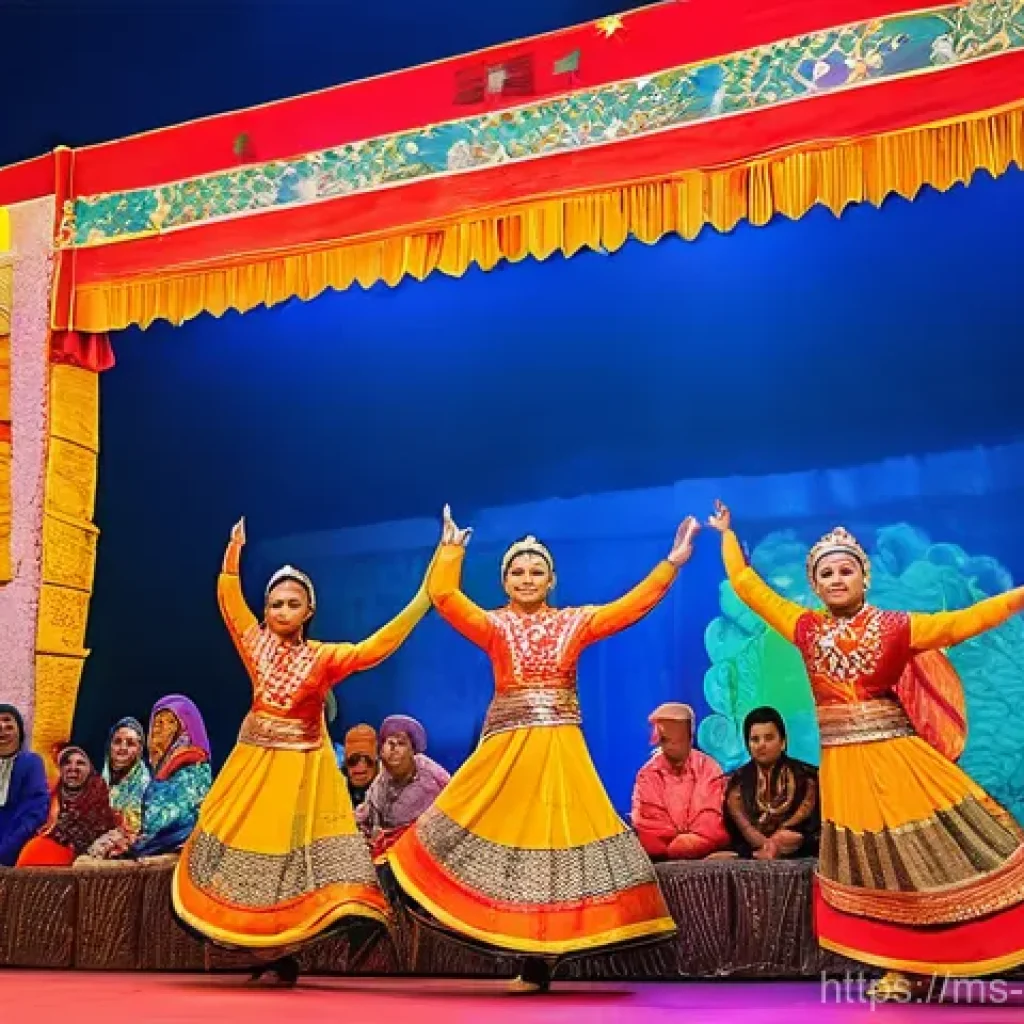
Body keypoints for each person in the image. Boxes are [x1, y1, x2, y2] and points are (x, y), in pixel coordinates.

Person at [707, 499, 1024, 999]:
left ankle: (960, 954)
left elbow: (966, 621)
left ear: (864, 578)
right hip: (847, 771)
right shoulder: (805, 628)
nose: (837, 579)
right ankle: (903, 967)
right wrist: (727, 536)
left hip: (899, 763)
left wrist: (1017, 597)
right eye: (827, 572)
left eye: (846, 570)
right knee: (883, 872)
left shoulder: (897, 627)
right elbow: (750, 590)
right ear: (815, 585)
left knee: (938, 857)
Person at [387, 505, 698, 993]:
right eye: (517, 571)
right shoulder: (494, 627)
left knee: (550, 846)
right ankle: (495, 935)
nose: (526, 578)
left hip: (557, 752)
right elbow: (444, 596)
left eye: (536, 571)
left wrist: (671, 564)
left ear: (552, 580)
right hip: (506, 754)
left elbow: (628, 608)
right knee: (485, 834)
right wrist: (450, 549)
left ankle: (540, 959)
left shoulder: (573, 623)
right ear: (504, 581)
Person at [171, 518, 438, 986]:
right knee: (244, 856)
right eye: (274, 603)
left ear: (309, 610)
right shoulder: (254, 645)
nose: (282, 610)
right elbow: (228, 602)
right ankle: (263, 946)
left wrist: (422, 600)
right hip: (254, 768)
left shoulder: (323, 657)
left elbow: (374, 648)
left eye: (293, 603)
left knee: (290, 865)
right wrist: (233, 553)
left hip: (298, 774)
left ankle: (288, 949)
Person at [631, 703, 731, 860]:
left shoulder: (709, 768)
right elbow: (649, 829)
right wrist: (678, 843)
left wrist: (685, 843)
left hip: (706, 857)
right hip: (661, 861)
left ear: (690, 737)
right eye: (665, 740)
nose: (672, 746)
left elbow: (711, 824)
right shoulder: (648, 775)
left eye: (677, 739)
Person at [724, 706, 819, 860]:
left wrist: (800, 841)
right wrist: (756, 850)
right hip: (752, 860)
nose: (761, 745)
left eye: (769, 738)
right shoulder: (737, 782)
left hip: (800, 859)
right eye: (755, 739)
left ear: (783, 742)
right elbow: (734, 835)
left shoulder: (808, 777)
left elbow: (819, 831)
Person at [357, 714, 449, 859]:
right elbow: (367, 817)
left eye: (401, 743)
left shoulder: (431, 781)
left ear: (413, 751)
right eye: (389, 743)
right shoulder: (383, 778)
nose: (393, 749)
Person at [131, 695, 212, 858]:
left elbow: (174, 818)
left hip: (180, 849)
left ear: (184, 728)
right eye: (157, 722)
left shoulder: (193, 765)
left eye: (170, 722)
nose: (159, 728)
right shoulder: (158, 766)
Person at [17, 746, 116, 866]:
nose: (73, 768)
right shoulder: (47, 797)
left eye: (80, 763)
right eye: (66, 763)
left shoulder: (100, 800)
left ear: (90, 769)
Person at [87, 716, 151, 857]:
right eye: (117, 742)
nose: (122, 748)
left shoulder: (146, 786)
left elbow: (136, 829)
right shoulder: (99, 783)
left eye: (130, 743)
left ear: (140, 750)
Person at [0, 704, 49, 867]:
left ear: (19, 731)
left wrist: (5, 851)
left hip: (14, 852)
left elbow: (35, 811)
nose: (2, 728)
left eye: (8, 723)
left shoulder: (31, 763)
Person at [341, 724, 379, 809]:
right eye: (353, 760)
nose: (361, 767)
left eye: (368, 760)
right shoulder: (335, 786)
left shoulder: (389, 788)